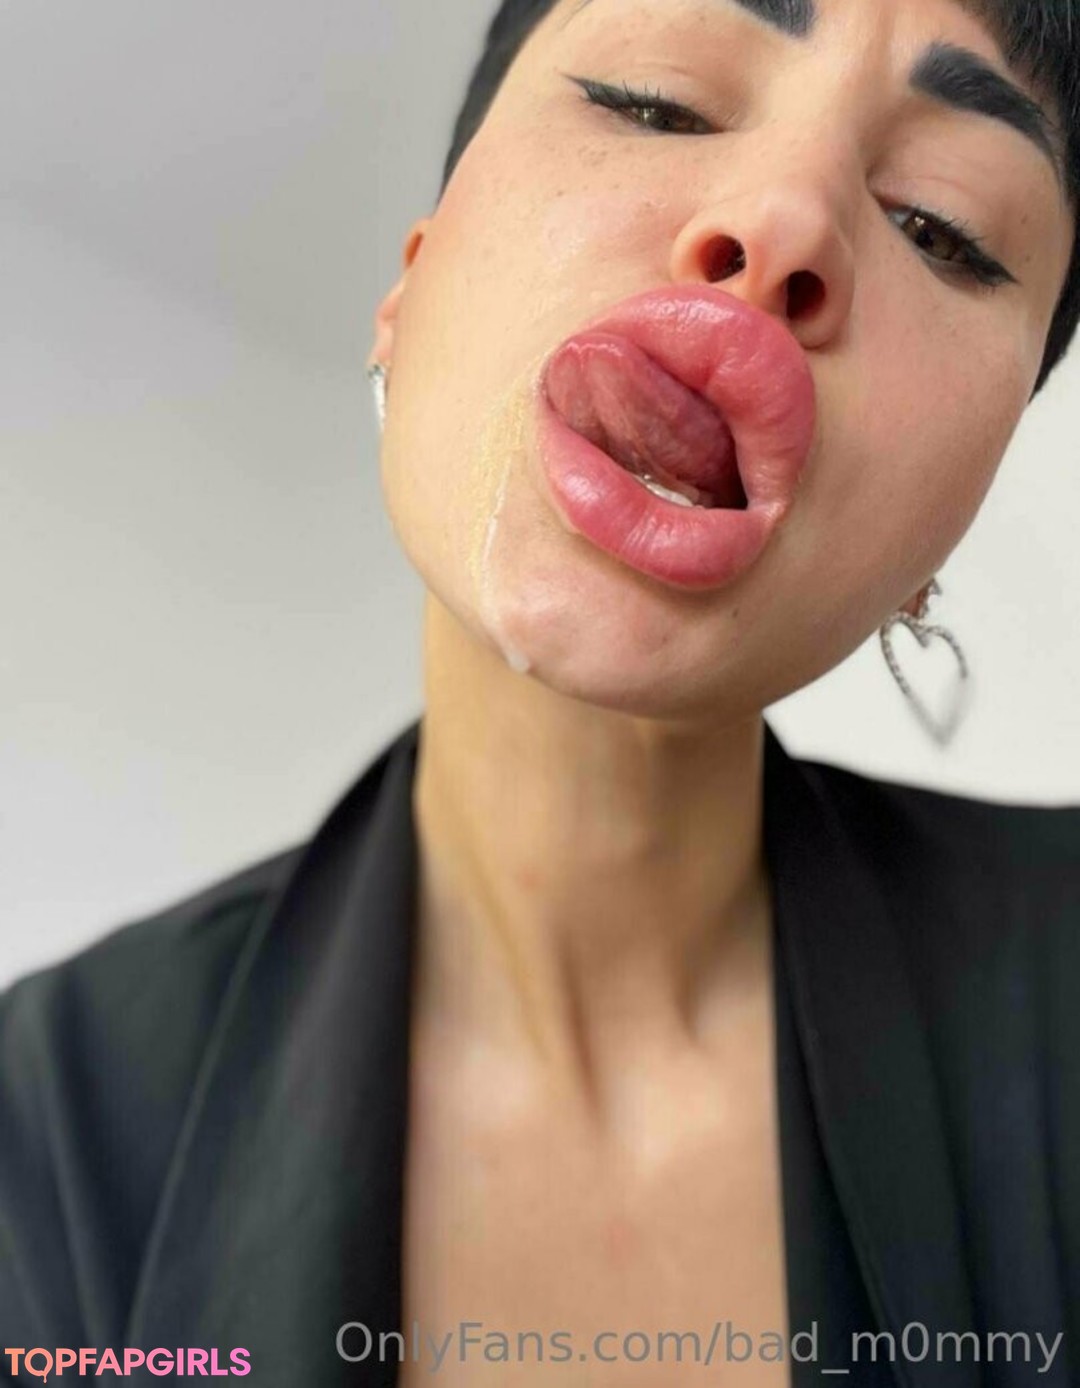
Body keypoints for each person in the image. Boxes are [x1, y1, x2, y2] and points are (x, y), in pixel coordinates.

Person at [2, 0, 1079, 1384]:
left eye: (943, 225)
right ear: (408, 291)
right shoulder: (47, 1133)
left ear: (959, 513)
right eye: (656, 100)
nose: (784, 222)